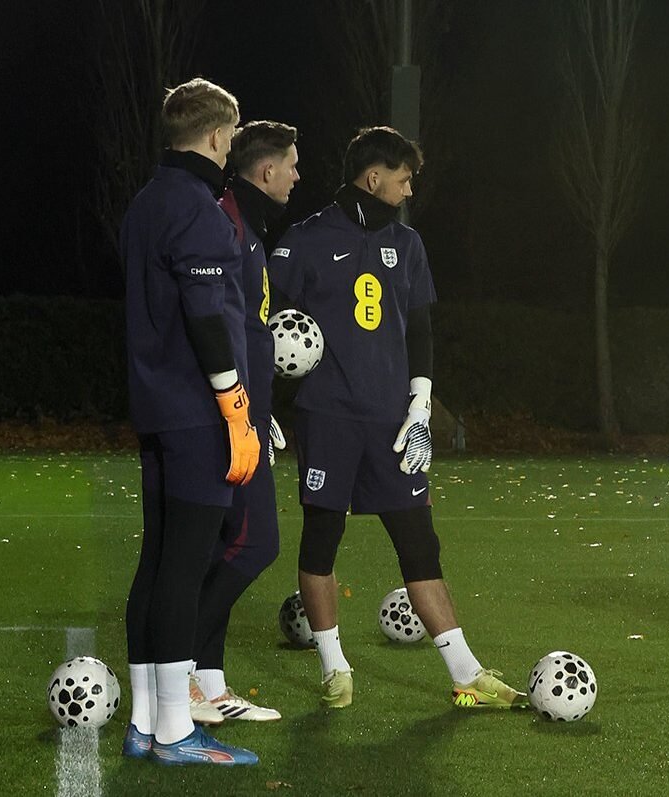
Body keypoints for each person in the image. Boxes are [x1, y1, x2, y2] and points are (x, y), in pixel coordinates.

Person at [269, 126, 527, 709]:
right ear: (374, 176)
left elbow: (420, 331)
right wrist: (267, 400)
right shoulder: (305, 239)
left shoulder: (407, 244)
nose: (409, 189)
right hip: (327, 417)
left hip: (391, 422)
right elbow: (269, 322)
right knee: (321, 540)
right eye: (404, 178)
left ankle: (465, 672)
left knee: (419, 543)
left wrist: (419, 406)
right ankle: (335, 668)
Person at [120, 77, 259, 765]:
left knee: (156, 561)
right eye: (230, 136)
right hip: (197, 412)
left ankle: (146, 720)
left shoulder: (146, 201)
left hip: (155, 407)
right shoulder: (197, 207)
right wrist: (235, 405)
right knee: (185, 565)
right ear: (216, 135)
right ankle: (176, 730)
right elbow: (206, 318)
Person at [184, 121, 302, 725]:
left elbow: (244, 331)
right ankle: (179, 672)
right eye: (292, 165)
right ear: (267, 170)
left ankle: (206, 683)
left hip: (243, 415)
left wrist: (264, 406)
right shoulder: (228, 228)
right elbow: (214, 326)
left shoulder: (246, 229)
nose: (297, 176)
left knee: (222, 548)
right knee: (255, 543)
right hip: (229, 422)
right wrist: (241, 409)